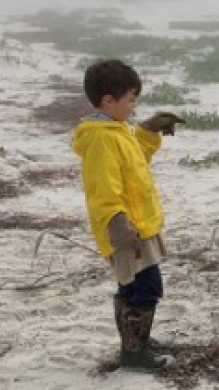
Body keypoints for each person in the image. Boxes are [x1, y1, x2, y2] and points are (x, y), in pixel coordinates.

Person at [73, 59, 184, 371]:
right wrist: (116, 221)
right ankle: (134, 353)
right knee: (147, 286)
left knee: (131, 286)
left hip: (138, 224)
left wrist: (148, 130)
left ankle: (137, 341)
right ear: (108, 100)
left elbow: (134, 161)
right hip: (126, 227)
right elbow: (101, 187)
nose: (133, 108)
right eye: (130, 100)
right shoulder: (100, 137)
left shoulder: (115, 129)